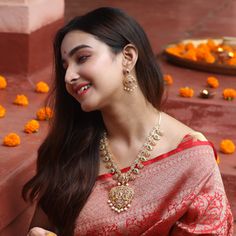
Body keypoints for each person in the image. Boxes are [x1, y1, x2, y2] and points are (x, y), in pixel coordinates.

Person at [23, 7, 233, 236]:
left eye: (82, 58)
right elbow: (43, 228)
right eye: (65, 66)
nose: (69, 76)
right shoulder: (71, 150)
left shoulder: (191, 158)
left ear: (128, 57)